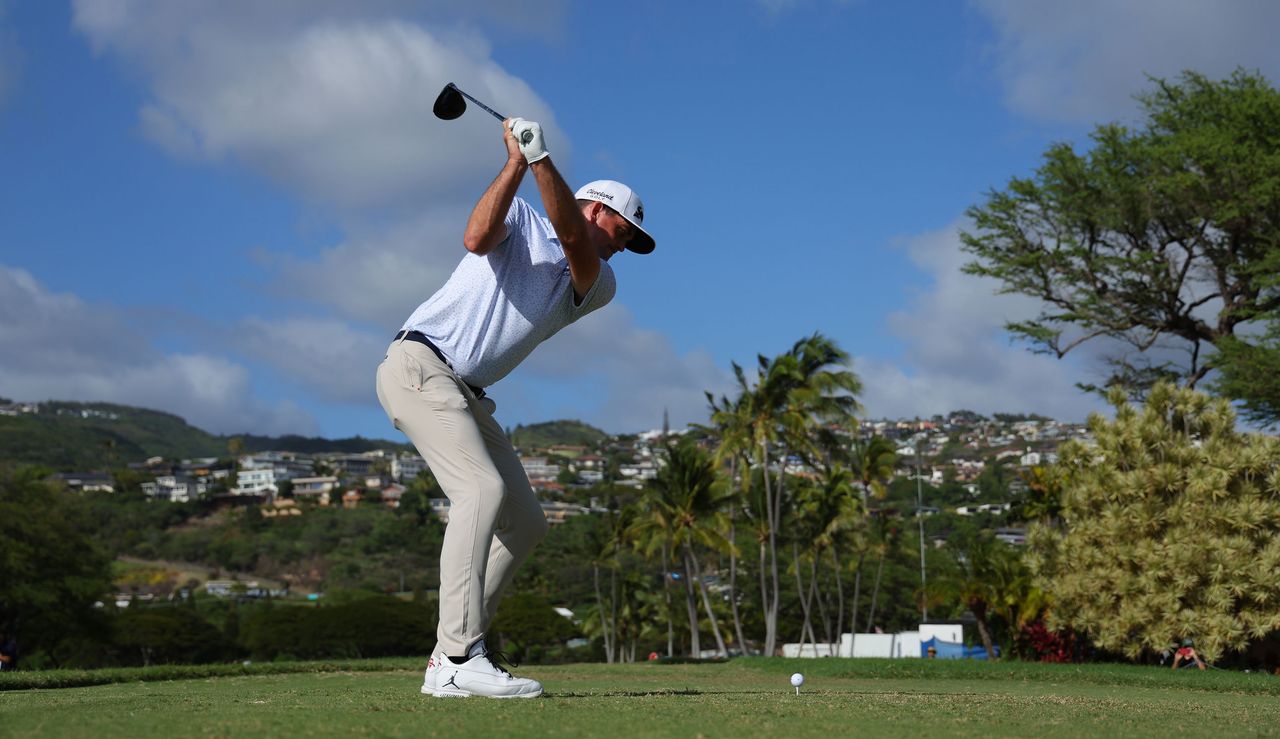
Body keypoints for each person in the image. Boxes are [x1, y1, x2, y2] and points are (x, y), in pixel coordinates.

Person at [376, 115, 654, 699]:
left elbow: (574, 240)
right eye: (624, 231)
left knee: (525, 521)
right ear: (596, 208)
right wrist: (515, 162)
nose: (624, 246)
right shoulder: (522, 219)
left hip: (468, 394)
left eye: (630, 241)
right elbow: (475, 238)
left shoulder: (598, 281)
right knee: (481, 492)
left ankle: (447, 658)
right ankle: (458, 654)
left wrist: (540, 159)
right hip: (419, 365)